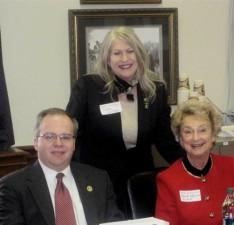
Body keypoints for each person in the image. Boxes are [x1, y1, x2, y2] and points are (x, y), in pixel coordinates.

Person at [66, 26, 184, 213]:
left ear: (139, 55)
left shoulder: (155, 89)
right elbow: (70, 134)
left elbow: (165, 140)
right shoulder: (88, 87)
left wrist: (193, 164)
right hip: (97, 180)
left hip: (137, 182)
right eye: (117, 53)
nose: (125, 59)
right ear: (107, 58)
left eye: (130, 52)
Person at [0, 108, 124, 225]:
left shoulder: (99, 179)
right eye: (50, 136)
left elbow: (115, 222)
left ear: (74, 144)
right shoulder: (13, 187)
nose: (58, 143)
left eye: (65, 137)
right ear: (36, 143)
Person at [155, 98, 234, 225]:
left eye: (202, 130)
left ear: (213, 134)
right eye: (188, 132)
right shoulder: (168, 179)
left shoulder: (231, 167)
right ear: (180, 139)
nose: (196, 138)